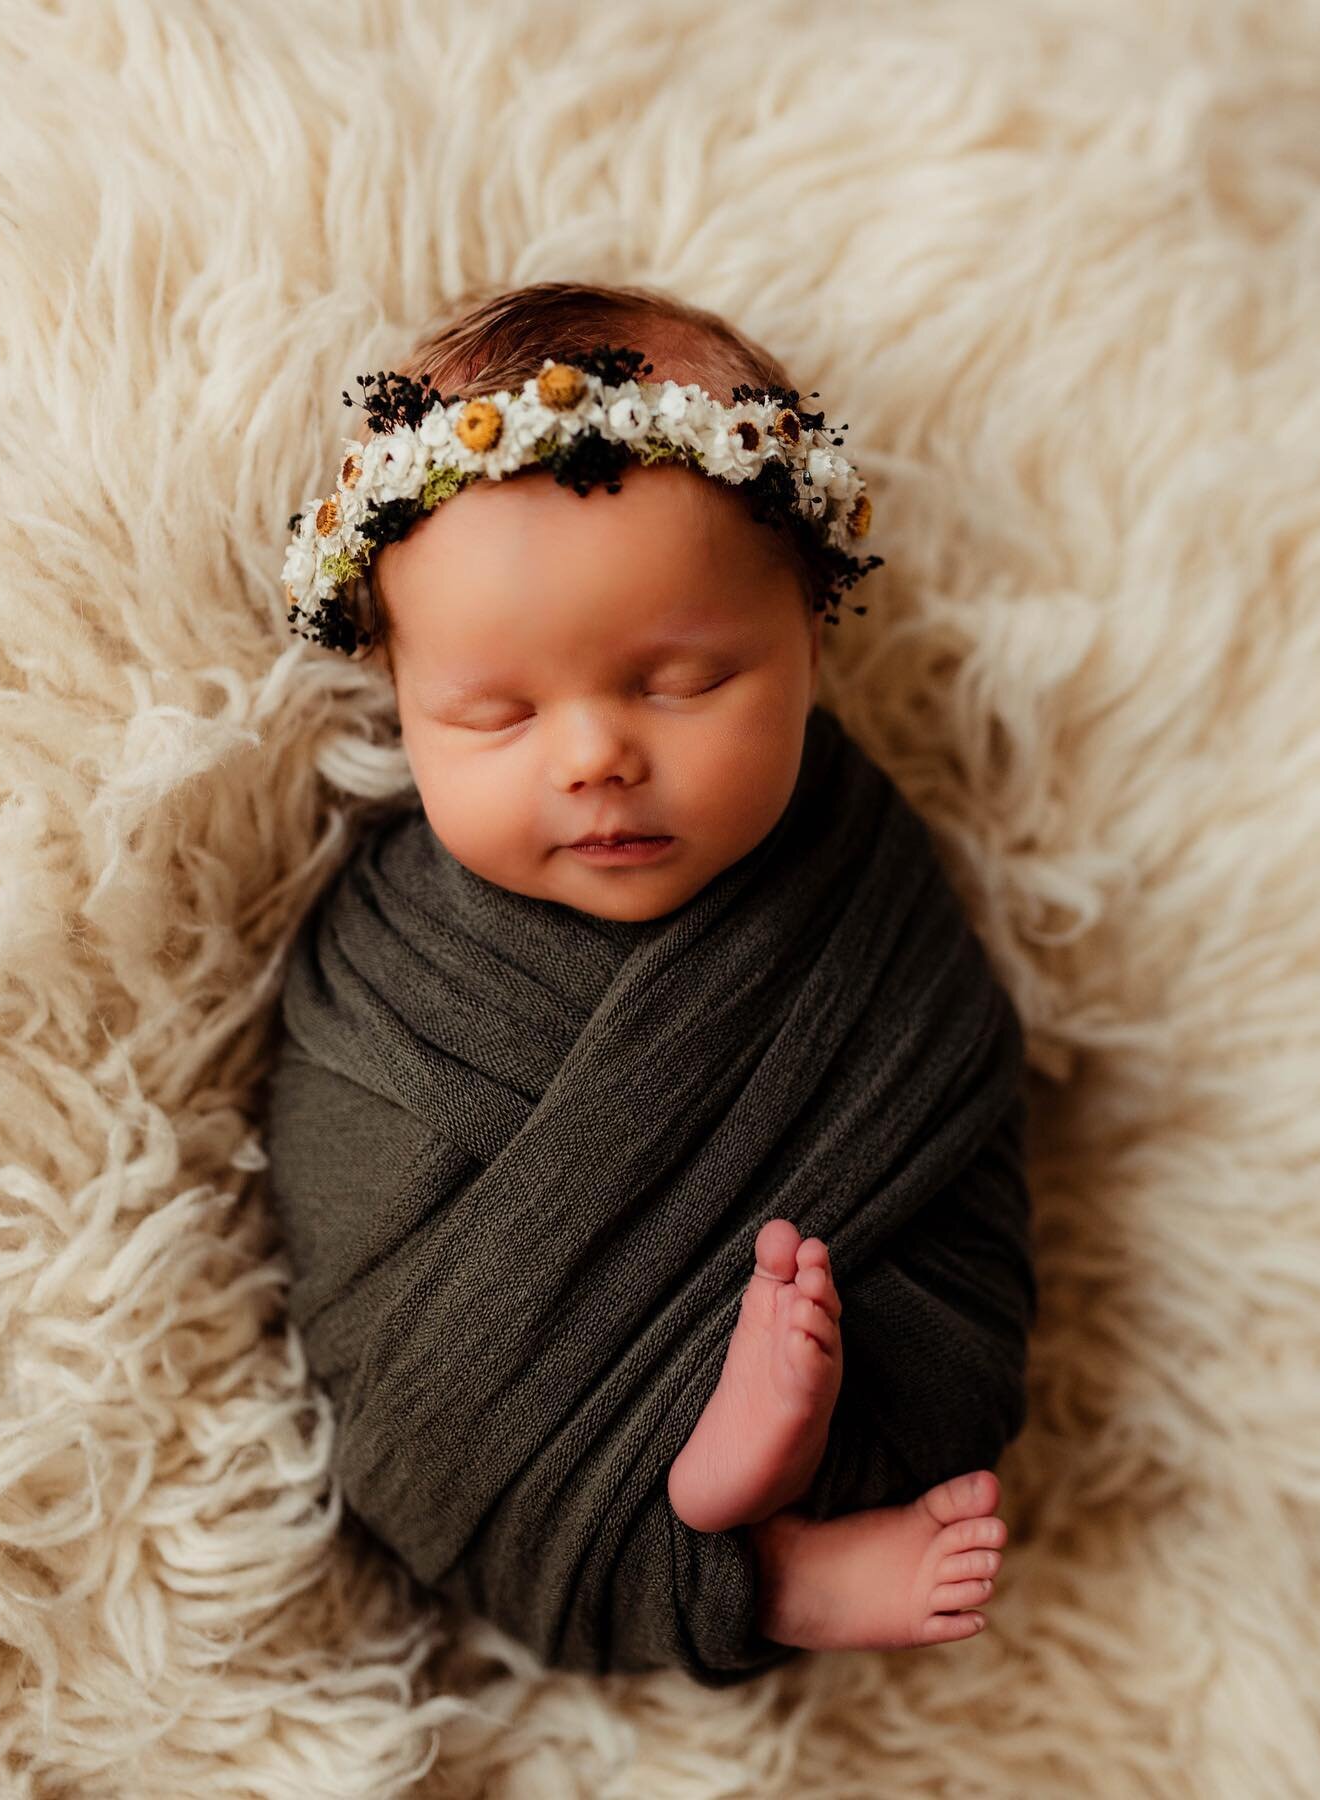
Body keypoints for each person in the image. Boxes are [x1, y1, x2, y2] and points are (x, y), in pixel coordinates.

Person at [265, 280, 1034, 1681]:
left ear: (811, 640)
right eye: (493, 712)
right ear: (400, 702)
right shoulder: (393, 949)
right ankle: (766, 1565)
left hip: (848, 1344)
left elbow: (951, 1070)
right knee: (409, 1379)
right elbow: (329, 1208)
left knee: (945, 1320)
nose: (592, 757)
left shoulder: (855, 872)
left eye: (680, 682)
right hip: (479, 1415)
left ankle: (771, 1508)